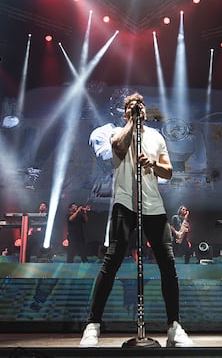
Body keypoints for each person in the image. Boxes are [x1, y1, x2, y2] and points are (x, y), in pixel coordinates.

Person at [80, 93, 193, 348]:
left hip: (153, 205)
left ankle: (174, 327)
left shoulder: (155, 136)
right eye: (131, 107)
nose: (136, 109)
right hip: (125, 203)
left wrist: (153, 163)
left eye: (139, 106)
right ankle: (92, 325)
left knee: (168, 264)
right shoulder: (116, 132)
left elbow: (169, 170)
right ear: (124, 112)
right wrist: (132, 122)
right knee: (112, 261)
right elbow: (118, 148)